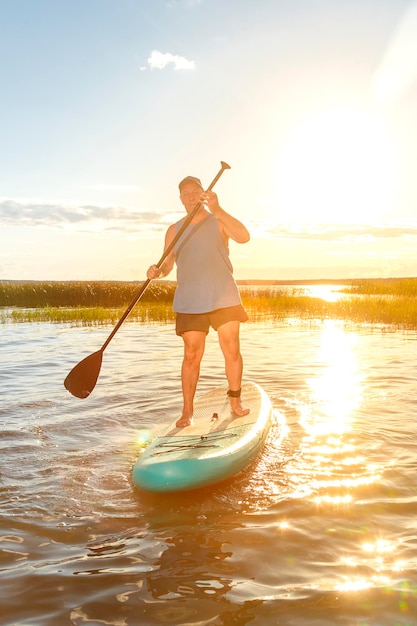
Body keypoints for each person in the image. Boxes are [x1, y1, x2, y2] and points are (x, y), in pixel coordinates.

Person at [147, 174, 250, 427]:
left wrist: (217, 208)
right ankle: (187, 411)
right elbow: (168, 263)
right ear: (181, 198)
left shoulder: (218, 220)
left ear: (204, 193)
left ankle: (235, 401)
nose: (192, 196)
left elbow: (244, 237)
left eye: (196, 192)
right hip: (190, 299)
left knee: (231, 348)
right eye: (187, 193)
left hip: (223, 295)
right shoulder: (174, 229)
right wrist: (157, 271)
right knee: (191, 355)